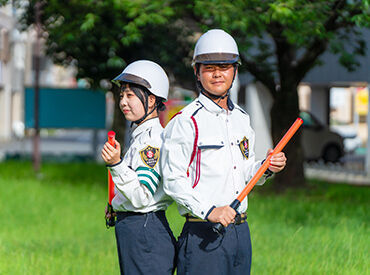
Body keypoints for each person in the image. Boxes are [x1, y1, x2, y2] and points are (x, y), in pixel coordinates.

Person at [161, 29, 287, 275]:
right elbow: (173, 180)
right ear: (197, 72)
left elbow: (245, 171)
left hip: (240, 233)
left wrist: (266, 166)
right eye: (209, 67)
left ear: (235, 71)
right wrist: (210, 211)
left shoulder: (242, 118)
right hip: (203, 234)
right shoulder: (187, 121)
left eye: (225, 66)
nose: (217, 73)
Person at [101, 60, 176, 275]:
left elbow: (142, 196)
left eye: (130, 95)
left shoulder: (151, 141)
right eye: (121, 95)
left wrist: (116, 164)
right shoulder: (140, 135)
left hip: (145, 231)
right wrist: (117, 202)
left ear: (151, 99)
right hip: (138, 229)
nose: (123, 102)